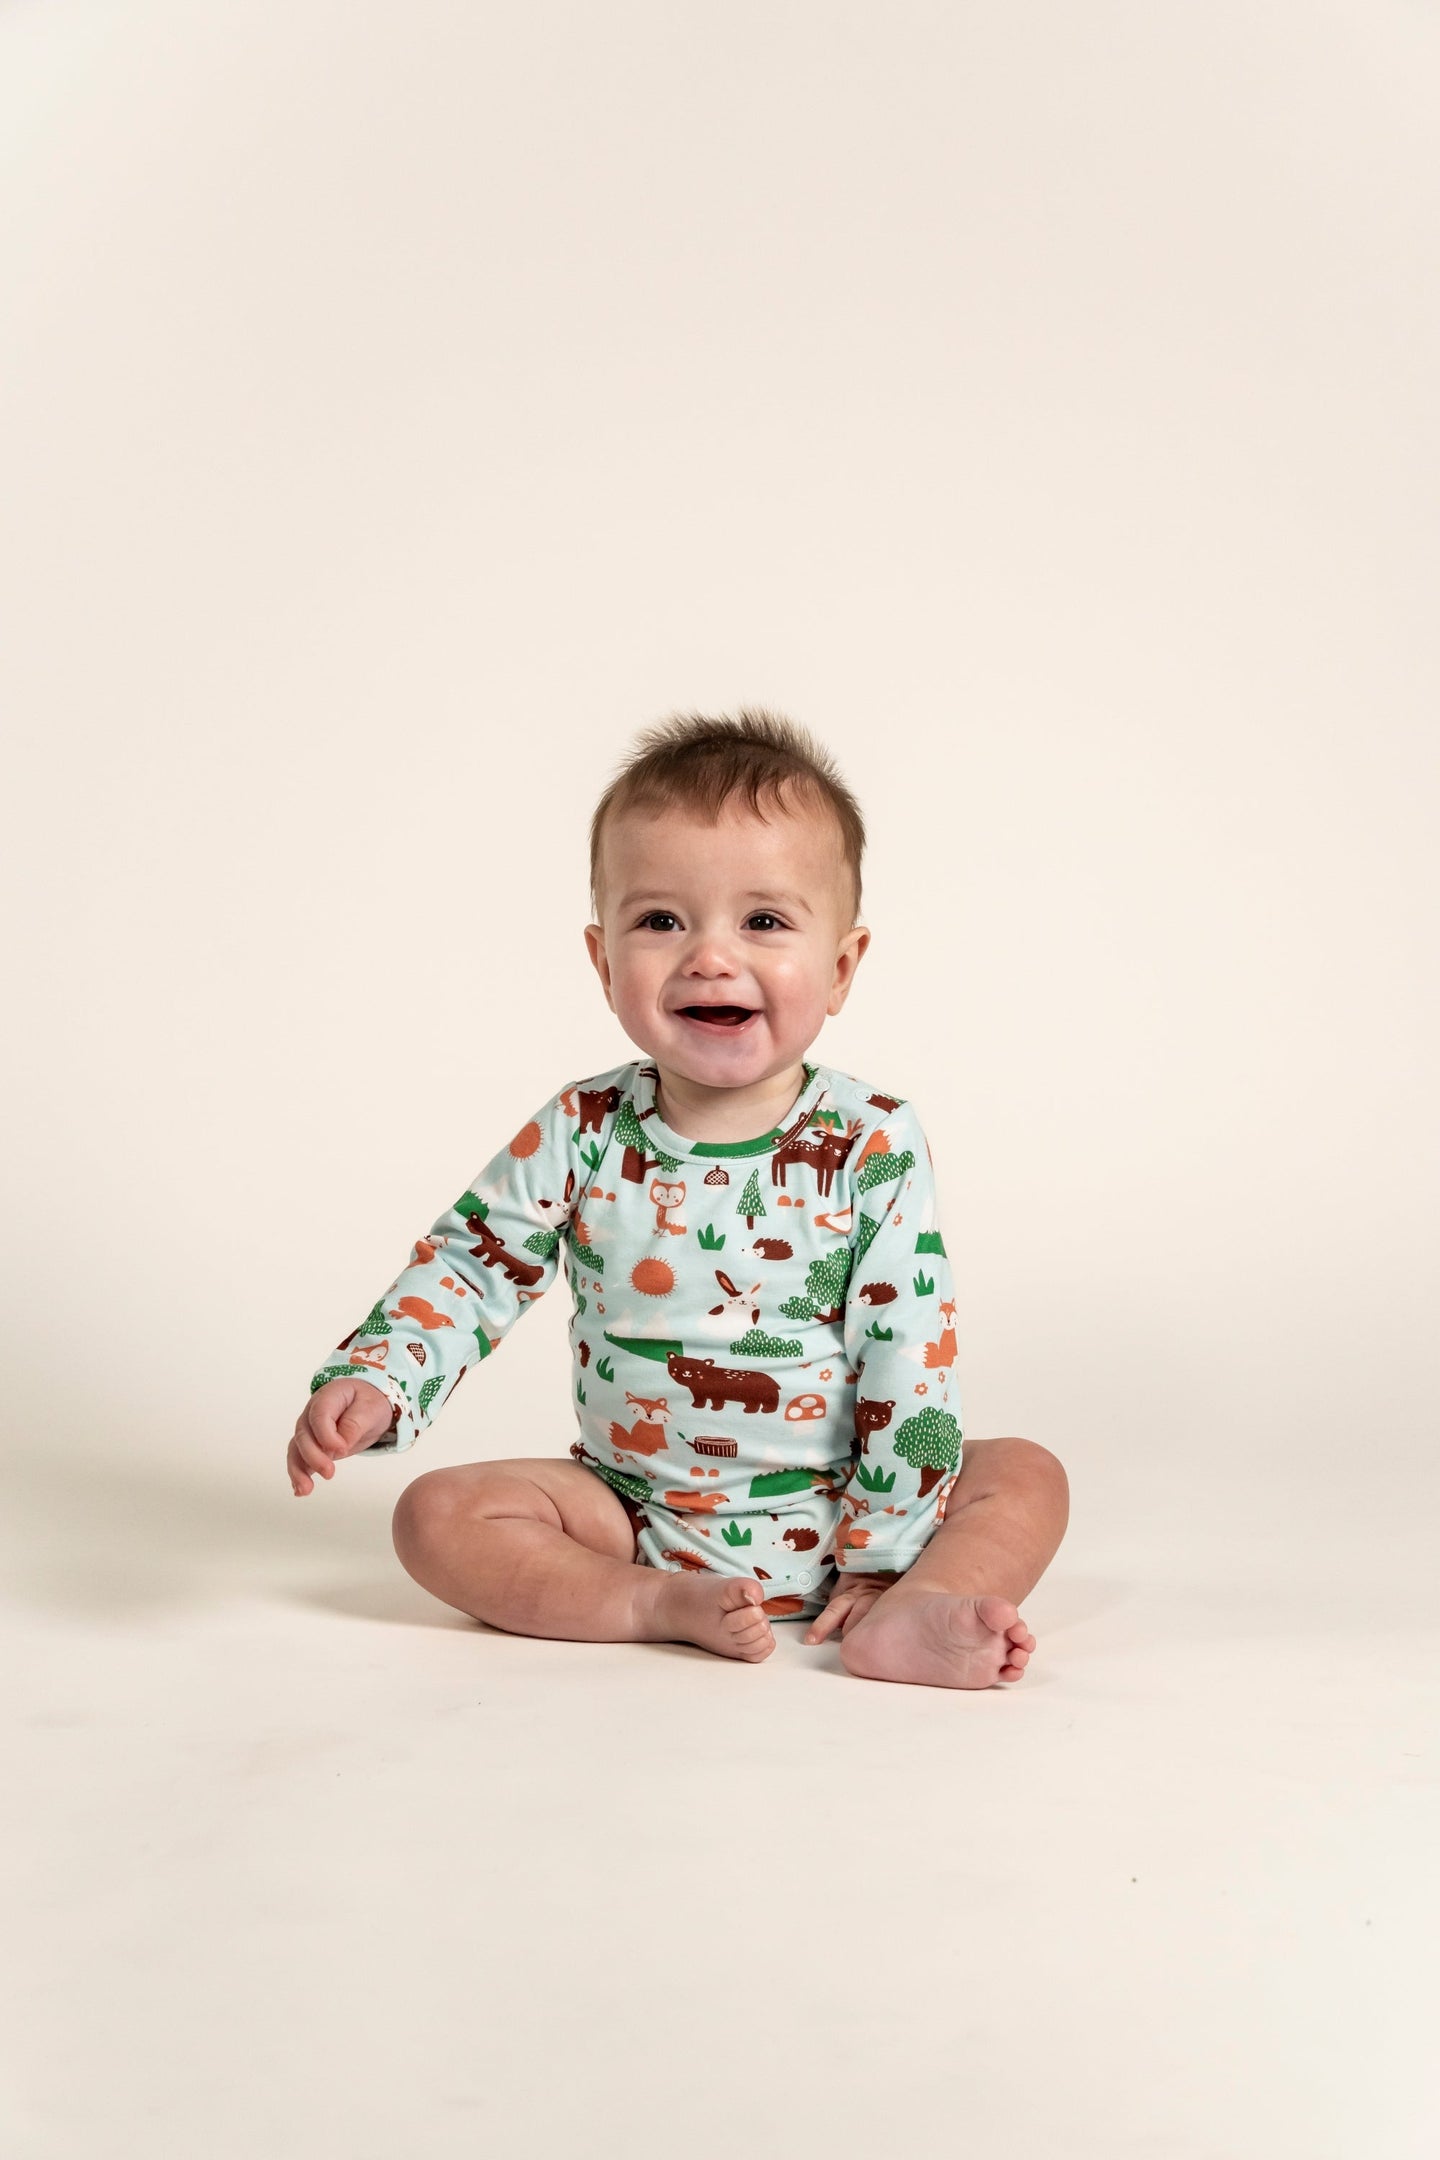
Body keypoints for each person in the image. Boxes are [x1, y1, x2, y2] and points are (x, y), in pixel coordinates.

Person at [287, 708, 1069, 1688]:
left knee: (1025, 1474)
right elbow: (473, 1263)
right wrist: (385, 1377)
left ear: (840, 967)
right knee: (434, 1517)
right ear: (601, 957)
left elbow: (910, 1347)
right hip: (631, 1514)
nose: (708, 954)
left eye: (765, 921)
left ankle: (907, 1612)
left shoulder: (871, 1139)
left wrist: (885, 1544)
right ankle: (652, 1605)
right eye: (661, 920)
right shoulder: (582, 1128)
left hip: (855, 1510)